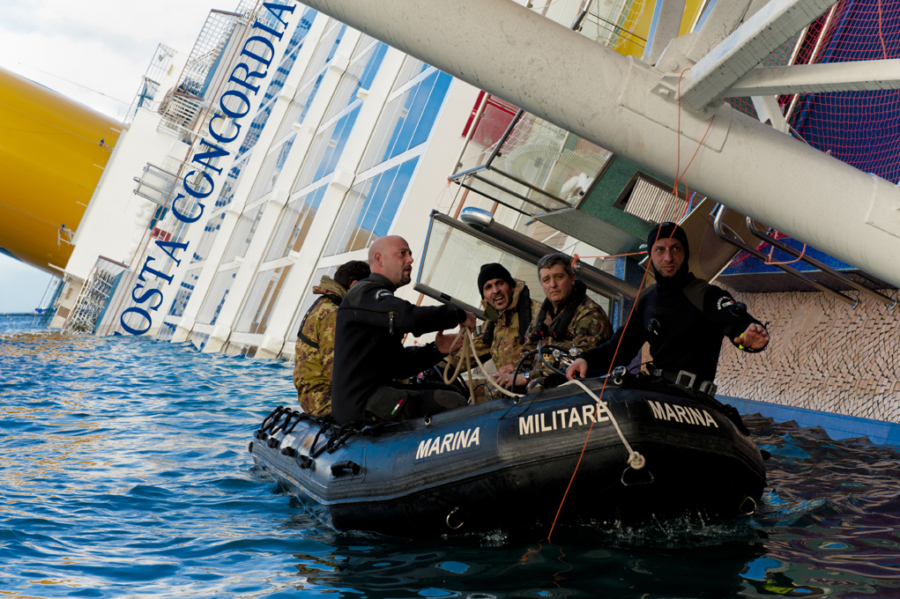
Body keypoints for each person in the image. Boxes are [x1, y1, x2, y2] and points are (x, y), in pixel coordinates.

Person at [566, 221, 770, 385]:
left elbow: (736, 324)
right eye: (660, 250)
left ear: (685, 252)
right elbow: (621, 348)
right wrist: (586, 360)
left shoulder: (706, 294)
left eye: (675, 249)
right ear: (651, 256)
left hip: (693, 398)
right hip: (657, 390)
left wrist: (747, 338)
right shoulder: (646, 298)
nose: (668, 257)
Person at [332, 235, 478, 425]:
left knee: (454, 391)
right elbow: (410, 318)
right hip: (362, 405)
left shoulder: (379, 300)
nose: (410, 259)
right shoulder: (365, 293)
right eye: (403, 253)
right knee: (452, 401)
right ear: (379, 259)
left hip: (375, 397)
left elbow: (399, 366)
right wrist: (457, 315)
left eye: (409, 254)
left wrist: (436, 349)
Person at [503, 253, 612, 389]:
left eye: (558, 277)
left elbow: (579, 363)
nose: (553, 285)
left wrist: (527, 377)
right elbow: (527, 354)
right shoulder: (541, 317)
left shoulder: (589, 316)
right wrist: (515, 376)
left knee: (535, 387)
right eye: (546, 280)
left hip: (579, 385)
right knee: (497, 387)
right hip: (541, 378)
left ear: (572, 278)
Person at [293, 260, 371, 417]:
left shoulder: (325, 305)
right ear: (355, 286)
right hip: (324, 401)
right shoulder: (333, 315)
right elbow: (338, 372)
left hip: (315, 397)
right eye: (369, 290)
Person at [454, 263, 540, 390]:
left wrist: (521, 369)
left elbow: (556, 352)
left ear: (511, 287)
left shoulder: (538, 314)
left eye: (499, 283)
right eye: (488, 287)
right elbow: (464, 356)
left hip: (536, 389)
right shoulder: (492, 325)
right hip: (509, 392)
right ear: (485, 298)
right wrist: (430, 361)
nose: (495, 290)